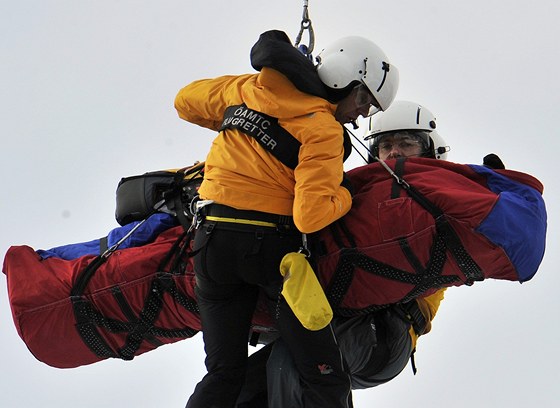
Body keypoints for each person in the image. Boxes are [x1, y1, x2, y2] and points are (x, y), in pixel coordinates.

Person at [174, 30, 399, 408]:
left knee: (223, 375)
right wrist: (345, 193)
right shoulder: (323, 130)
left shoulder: (247, 89)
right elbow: (310, 217)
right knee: (325, 376)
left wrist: (241, 121)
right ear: (343, 76)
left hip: (211, 247)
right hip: (270, 255)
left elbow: (185, 101)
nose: (361, 114)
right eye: (364, 99)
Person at [235, 100, 450, 408]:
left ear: (430, 152)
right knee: (245, 386)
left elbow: (464, 229)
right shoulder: (357, 202)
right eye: (385, 145)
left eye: (406, 143)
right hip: (337, 320)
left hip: (387, 334)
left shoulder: (435, 203)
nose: (394, 152)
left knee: (297, 362)